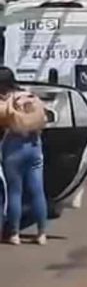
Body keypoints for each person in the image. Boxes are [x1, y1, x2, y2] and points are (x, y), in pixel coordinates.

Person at [0, 68, 48, 245]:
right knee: (37, 191)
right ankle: (42, 233)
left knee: (15, 192)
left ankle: (14, 234)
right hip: (35, 146)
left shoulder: (5, 102)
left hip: (14, 149)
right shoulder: (29, 96)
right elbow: (45, 118)